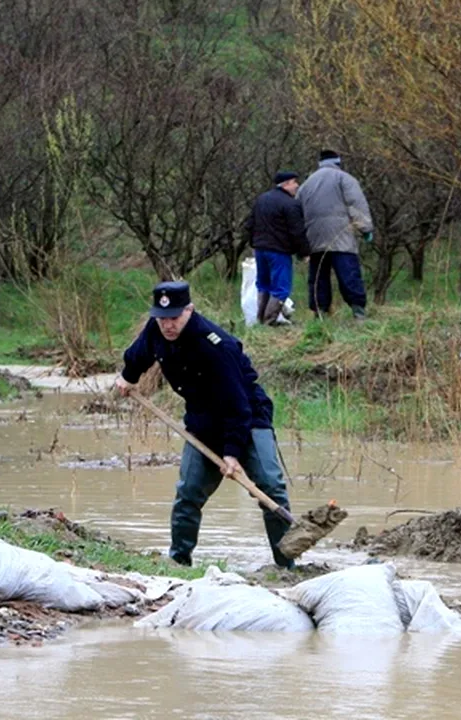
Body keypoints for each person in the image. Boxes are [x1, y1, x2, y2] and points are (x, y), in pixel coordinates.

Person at [115, 281, 294, 569]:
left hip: (247, 419)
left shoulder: (215, 345)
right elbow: (140, 353)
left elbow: (238, 405)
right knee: (188, 493)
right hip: (202, 424)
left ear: (190, 310)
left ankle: (286, 565)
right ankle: (178, 563)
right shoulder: (156, 328)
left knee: (271, 487)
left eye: (175, 317)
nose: (168, 325)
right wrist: (128, 376)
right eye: (163, 318)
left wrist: (232, 452)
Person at [296, 150, 374, 320]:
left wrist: (300, 243)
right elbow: (356, 203)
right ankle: (358, 311)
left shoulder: (306, 184)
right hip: (341, 237)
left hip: (314, 239)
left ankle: (320, 314)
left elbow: (297, 212)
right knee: (348, 274)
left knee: (318, 278)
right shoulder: (344, 178)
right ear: (338, 162)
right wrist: (365, 228)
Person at [244, 171, 309, 325]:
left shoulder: (261, 199)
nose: (297, 186)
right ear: (286, 184)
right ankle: (270, 320)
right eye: (294, 182)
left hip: (260, 249)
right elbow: (297, 231)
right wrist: (304, 252)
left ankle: (260, 318)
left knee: (263, 284)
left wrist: (254, 243)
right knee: (281, 288)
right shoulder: (290, 204)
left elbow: (249, 224)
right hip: (279, 251)